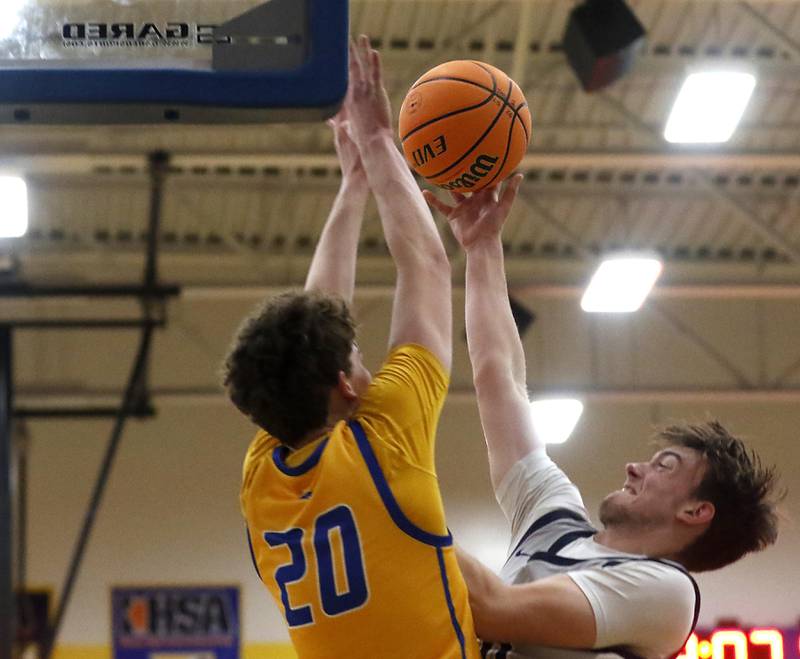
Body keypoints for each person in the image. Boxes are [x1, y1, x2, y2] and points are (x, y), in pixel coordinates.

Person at [424, 179, 783, 659]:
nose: (635, 468)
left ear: (696, 512)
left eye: (665, 466)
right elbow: (500, 379)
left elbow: (492, 606)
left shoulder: (664, 591)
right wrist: (482, 247)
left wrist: (395, 489)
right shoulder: (552, 517)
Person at [223, 36, 480, 659]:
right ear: (343, 385)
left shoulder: (265, 479)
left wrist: (353, 188)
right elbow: (425, 265)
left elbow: (318, 316)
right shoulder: (382, 441)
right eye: (356, 356)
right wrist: (377, 143)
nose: (365, 359)